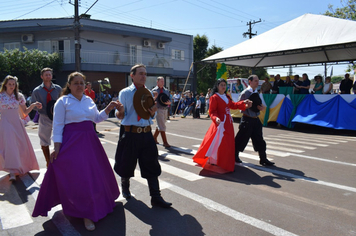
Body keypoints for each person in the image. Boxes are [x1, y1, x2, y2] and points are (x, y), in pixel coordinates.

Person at [32, 72, 121, 231]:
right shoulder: (63, 101)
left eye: (81, 83)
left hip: (90, 142)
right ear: (69, 85)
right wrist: (56, 147)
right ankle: (85, 213)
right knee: (80, 177)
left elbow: (97, 118)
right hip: (72, 142)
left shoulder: (88, 100)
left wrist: (108, 108)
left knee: (92, 176)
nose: (79, 86)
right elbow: (58, 125)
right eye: (76, 83)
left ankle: (92, 208)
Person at [114, 64, 172, 208]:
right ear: (132, 75)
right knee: (126, 163)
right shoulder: (125, 93)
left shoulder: (149, 93)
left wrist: (153, 111)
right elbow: (121, 116)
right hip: (130, 133)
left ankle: (156, 197)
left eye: (145, 74)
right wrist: (119, 112)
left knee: (151, 164)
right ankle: (125, 187)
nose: (144, 76)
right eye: (140, 73)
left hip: (146, 133)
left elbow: (149, 115)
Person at [193, 79, 251, 172]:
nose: (224, 87)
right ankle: (214, 160)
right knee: (217, 142)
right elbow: (212, 111)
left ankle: (224, 161)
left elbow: (233, 105)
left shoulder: (226, 96)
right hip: (220, 124)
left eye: (225, 85)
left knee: (227, 143)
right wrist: (216, 118)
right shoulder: (214, 97)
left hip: (228, 123)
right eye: (221, 85)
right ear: (217, 86)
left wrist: (243, 103)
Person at [0, 75, 42, 181]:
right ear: (5, 84)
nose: (12, 86)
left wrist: (33, 105)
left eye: (13, 84)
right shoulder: (0, 96)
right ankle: (12, 172)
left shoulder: (19, 96)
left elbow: (24, 113)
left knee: (19, 146)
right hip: (5, 123)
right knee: (10, 146)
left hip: (17, 123)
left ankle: (18, 168)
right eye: (9, 84)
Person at [235, 75, 275, 166]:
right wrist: (246, 106)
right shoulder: (245, 93)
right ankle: (234, 155)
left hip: (256, 120)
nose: (258, 82)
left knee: (260, 140)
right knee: (241, 139)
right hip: (247, 119)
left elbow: (258, 105)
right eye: (256, 81)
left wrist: (261, 108)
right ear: (250, 81)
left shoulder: (256, 92)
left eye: (258, 81)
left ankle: (263, 158)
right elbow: (238, 106)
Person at [31, 68, 62, 167]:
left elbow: (64, 101)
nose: (48, 76)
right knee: (44, 141)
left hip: (57, 117)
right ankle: (48, 162)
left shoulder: (58, 89)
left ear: (52, 76)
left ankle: (59, 160)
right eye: (46, 75)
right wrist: (36, 106)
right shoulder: (37, 90)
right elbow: (32, 104)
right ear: (42, 76)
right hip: (44, 116)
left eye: (49, 74)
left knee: (61, 138)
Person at [152, 76, 172, 148]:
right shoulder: (154, 91)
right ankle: (165, 142)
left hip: (165, 109)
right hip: (158, 109)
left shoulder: (166, 91)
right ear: (157, 82)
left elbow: (169, 99)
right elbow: (151, 100)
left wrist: (169, 102)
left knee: (160, 124)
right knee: (162, 126)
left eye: (163, 81)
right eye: (161, 81)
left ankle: (154, 138)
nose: (163, 82)